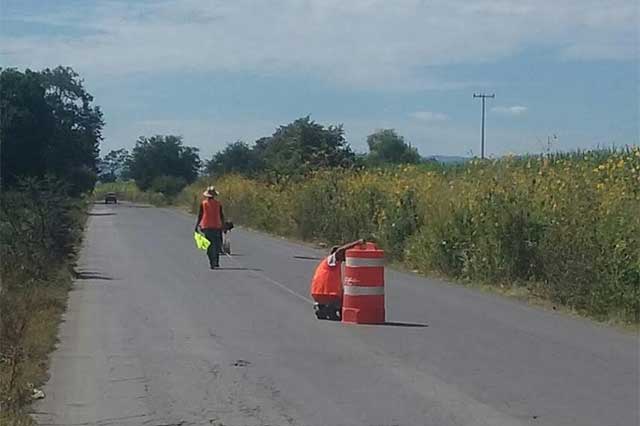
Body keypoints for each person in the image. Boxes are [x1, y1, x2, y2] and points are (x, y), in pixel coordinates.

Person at [310, 239, 364, 320]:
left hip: (317, 293)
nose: (345, 256)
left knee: (341, 291)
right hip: (328, 294)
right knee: (347, 297)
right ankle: (330, 309)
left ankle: (322, 307)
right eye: (344, 254)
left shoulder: (329, 264)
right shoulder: (332, 260)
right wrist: (357, 242)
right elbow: (340, 250)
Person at [195, 186, 225, 269]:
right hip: (217, 226)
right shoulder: (218, 204)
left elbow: (200, 215)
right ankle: (216, 262)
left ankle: (212, 262)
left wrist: (197, 226)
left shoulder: (203, 204)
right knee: (217, 244)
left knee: (209, 245)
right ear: (214, 195)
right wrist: (223, 225)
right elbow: (221, 215)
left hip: (206, 227)